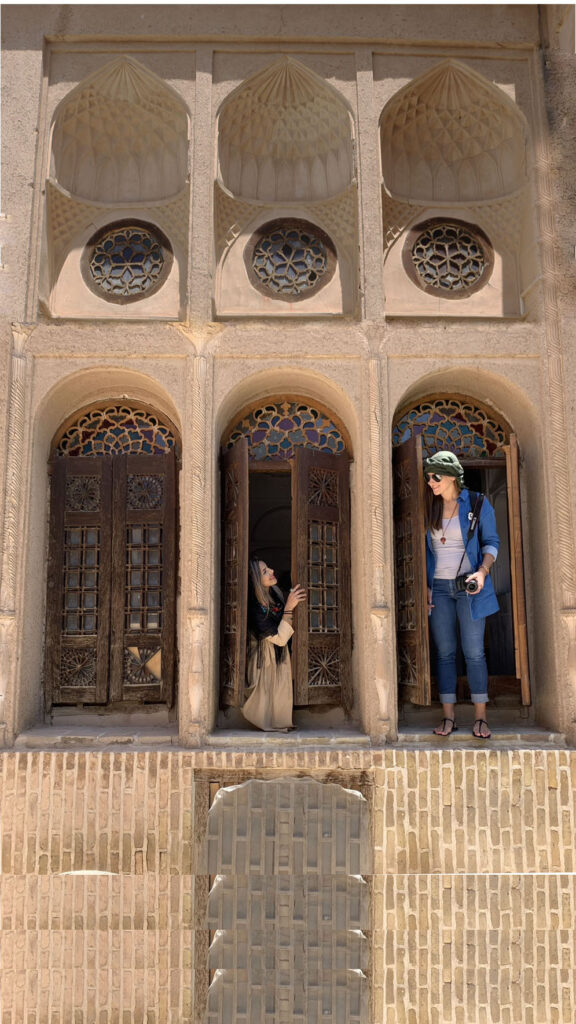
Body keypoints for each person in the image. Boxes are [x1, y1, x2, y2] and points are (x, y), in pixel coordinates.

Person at [424, 451, 500, 739]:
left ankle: (480, 718)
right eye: (428, 477)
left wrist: (482, 571)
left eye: (435, 476)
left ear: (452, 476)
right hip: (439, 590)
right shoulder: (426, 507)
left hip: (470, 588)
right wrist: (424, 587)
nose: (430, 482)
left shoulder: (478, 503)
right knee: (444, 654)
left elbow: (492, 542)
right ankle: (448, 717)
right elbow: (421, 552)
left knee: (475, 653)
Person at [241, 557, 306, 731]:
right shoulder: (254, 607)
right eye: (264, 571)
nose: (271, 571)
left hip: (279, 654)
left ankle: (280, 722)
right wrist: (289, 608)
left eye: (268, 567)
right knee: (267, 691)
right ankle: (268, 723)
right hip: (265, 656)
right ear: (256, 579)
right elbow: (279, 638)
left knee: (280, 689)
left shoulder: (275, 593)